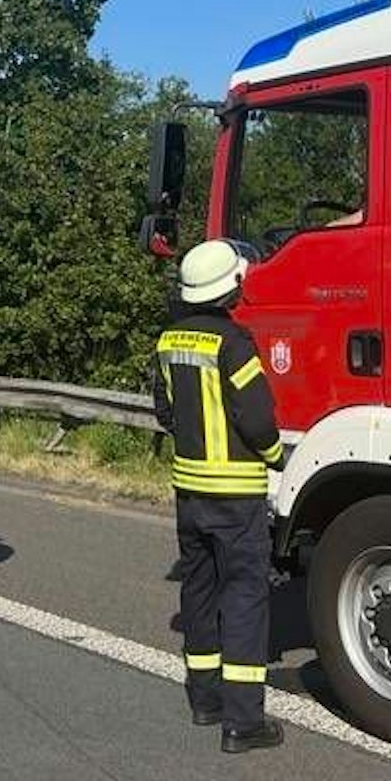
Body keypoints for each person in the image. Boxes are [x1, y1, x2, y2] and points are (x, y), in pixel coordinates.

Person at [152, 239, 287, 754]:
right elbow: (255, 417)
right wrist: (277, 454)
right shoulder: (234, 342)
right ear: (231, 285)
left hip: (189, 491)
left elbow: (164, 411)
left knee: (200, 592)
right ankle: (244, 722)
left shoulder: (169, 340)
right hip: (235, 495)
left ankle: (204, 700)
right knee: (246, 598)